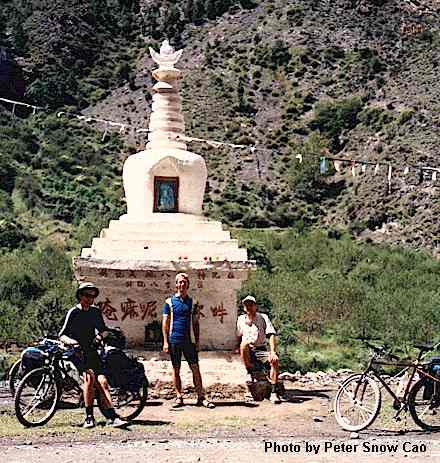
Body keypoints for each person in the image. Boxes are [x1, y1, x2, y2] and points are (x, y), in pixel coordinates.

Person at [59, 282, 127, 428]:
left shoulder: (95, 312)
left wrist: (99, 337)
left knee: (102, 382)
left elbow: (104, 330)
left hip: (91, 351)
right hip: (76, 352)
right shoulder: (74, 312)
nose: (90, 298)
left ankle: (112, 416)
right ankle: (89, 417)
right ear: (80, 296)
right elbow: (62, 335)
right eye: (87, 295)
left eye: (92, 296)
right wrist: (72, 342)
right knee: (89, 378)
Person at [162, 273, 214, 409]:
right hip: (174, 340)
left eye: (184, 282)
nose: (182, 285)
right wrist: (165, 342)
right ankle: (179, 396)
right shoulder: (169, 302)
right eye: (179, 282)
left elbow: (196, 323)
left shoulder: (193, 303)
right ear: (176, 284)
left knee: (195, 369)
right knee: (176, 369)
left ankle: (201, 397)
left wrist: (197, 341)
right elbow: (165, 324)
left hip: (189, 341)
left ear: (188, 285)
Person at [236, 295, 281, 404]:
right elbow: (238, 336)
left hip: (261, 349)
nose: (249, 307)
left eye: (251, 305)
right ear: (244, 307)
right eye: (246, 305)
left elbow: (271, 334)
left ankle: (274, 392)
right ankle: (249, 371)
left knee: (274, 361)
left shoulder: (263, 317)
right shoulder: (241, 319)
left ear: (255, 306)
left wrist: (273, 352)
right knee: (244, 344)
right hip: (247, 350)